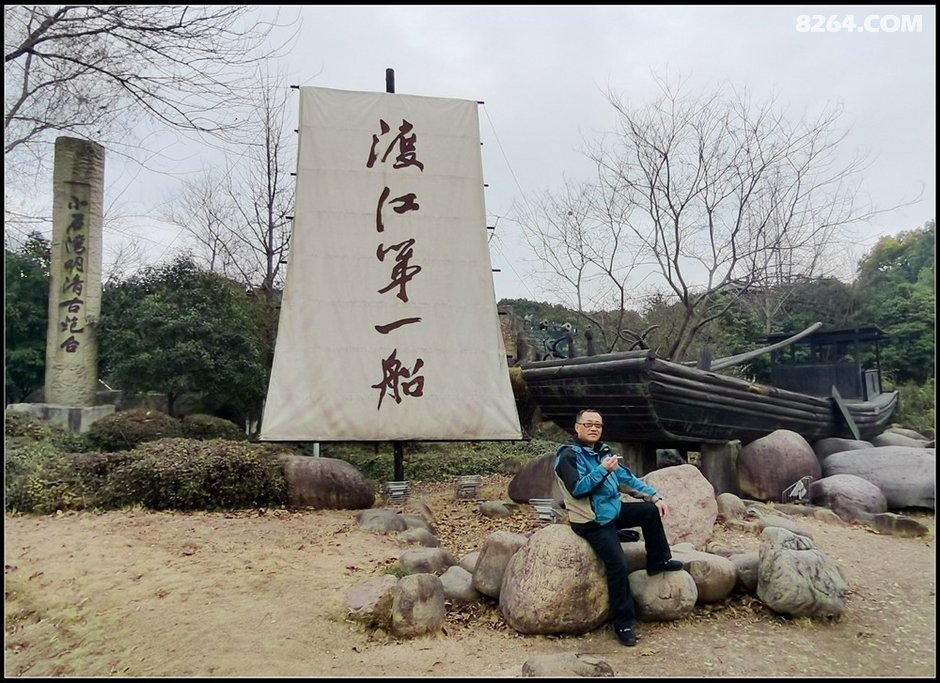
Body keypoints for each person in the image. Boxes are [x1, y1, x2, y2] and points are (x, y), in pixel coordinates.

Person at [553, 408, 683, 647]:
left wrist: (655, 497)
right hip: (591, 521)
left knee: (649, 512)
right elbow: (578, 488)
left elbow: (626, 480)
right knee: (618, 564)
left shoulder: (603, 451)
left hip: (611, 512)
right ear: (577, 427)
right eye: (589, 424)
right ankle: (623, 622)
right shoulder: (568, 456)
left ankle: (658, 560)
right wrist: (603, 470)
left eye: (598, 425)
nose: (594, 428)